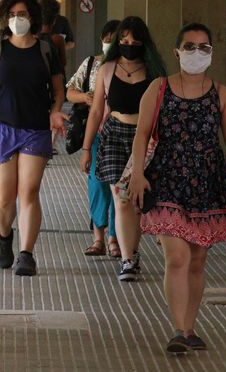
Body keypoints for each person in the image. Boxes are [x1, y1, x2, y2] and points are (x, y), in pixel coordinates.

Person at [127, 22, 226, 355]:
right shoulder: (158, 89)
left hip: (207, 184)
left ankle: (190, 326)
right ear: (176, 51)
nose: (196, 53)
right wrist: (138, 173)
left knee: (197, 260)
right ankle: (178, 330)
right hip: (167, 181)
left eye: (204, 47)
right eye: (190, 46)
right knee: (178, 256)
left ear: (211, 53)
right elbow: (142, 134)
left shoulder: (220, 93)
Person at [0, 0, 66, 277]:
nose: (17, 19)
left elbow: (58, 90)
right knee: (4, 198)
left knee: (29, 192)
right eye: (12, 15)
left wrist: (56, 111)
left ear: (32, 17)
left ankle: (26, 254)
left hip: (35, 129)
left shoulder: (45, 50)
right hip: (2, 127)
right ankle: (5, 235)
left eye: (23, 14)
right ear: (5, 18)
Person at [80, 16, 166, 282]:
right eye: (124, 40)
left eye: (134, 40)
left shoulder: (154, 73)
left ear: (144, 42)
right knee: (121, 198)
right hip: (115, 135)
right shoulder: (107, 69)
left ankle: (133, 251)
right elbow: (96, 112)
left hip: (146, 139)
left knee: (136, 201)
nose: (129, 44)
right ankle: (128, 260)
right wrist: (86, 148)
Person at [67, 20, 121, 257]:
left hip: (122, 135)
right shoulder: (92, 64)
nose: (110, 44)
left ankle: (115, 238)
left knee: (119, 188)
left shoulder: (131, 67)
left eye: (115, 40)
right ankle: (98, 236)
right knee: (97, 185)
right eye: (107, 39)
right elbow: (70, 91)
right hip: (97, 132)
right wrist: (84, 98)